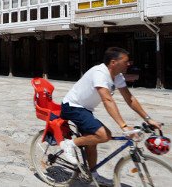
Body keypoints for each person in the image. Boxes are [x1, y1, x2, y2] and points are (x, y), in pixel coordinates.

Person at [60, 47, 162, 186]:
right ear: (113, 62)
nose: (128, 64)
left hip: (86, 109)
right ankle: (69, 144)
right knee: (104, 135)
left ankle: (93, 175)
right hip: (72, 106)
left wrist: (148, 118)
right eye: (126, 61)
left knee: (93, 142)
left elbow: (129, 98)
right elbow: (107, 100)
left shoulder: (117, 76)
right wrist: (124, 126)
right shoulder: (99, 73)